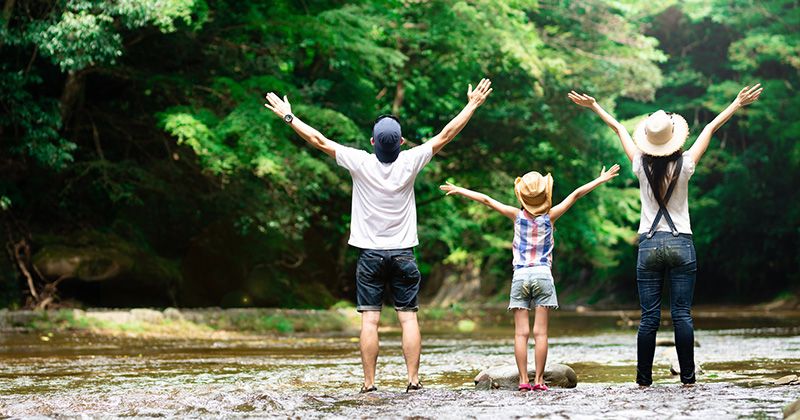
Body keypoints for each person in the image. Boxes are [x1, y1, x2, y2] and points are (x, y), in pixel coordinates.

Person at [263, 78, 493, 393]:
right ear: (400, 143)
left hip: (370, 255)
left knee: (370, 322)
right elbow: (446, 134)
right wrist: (472, 104)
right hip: (403, 254)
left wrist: (289, 116)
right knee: (408, 319)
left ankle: (369, 385)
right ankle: (413, 382)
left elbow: (319, 140)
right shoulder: (412, 161)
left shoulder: (359, 162)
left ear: (372, 142)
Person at [568, 84, 763, 386]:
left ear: (649, 141)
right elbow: (710, 127)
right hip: (681, 243)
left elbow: (618, 126)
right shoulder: (685, 165)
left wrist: (594, 106)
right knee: (682, 314)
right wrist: (736, 103)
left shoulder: (638, 165)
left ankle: (643, 380)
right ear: (674, 139)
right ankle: (688, 378)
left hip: (648, 244)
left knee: (649, 318)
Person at [439, 164, 620, 391]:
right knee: (540, 332)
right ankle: (539, 381)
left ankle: (523, 380)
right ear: (545, 195)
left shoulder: (515, 216)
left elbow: (486, 200)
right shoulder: (551, 216)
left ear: (522, 196)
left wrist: (460, 189)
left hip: (521, 276)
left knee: (520, 333)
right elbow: (576, 195)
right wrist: (600, 179)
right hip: (543, 275)